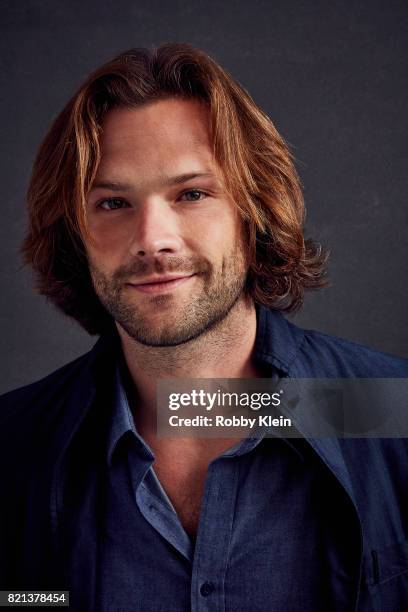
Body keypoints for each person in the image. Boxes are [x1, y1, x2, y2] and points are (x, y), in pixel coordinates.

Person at [1, 43, 407, 612]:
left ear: (254, 210)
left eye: (191, 194)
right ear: (73, 233)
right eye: (113, 203)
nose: (153, 238)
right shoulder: (15, 447)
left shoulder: (387, 413)